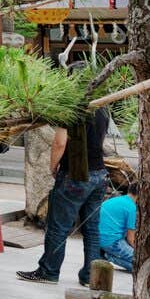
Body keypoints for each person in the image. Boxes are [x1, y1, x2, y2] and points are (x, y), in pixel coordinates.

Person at [17, 105, 111, 286]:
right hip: (100, 173)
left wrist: (53, 167)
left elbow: (60, 142)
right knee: (91, 229)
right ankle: (91, 276)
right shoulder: (103, 108)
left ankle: (48, 271)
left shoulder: (71, 108)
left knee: (58, 227)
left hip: (75, 174)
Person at [97, 179, 139, 272]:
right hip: (113, 242)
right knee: (141, 263)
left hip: (97, 238)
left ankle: (107, 253)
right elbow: (131, 239)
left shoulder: (115, 200)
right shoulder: (131, 208)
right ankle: (109, 256)